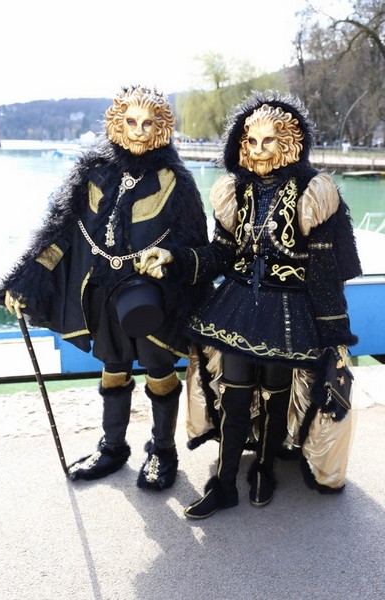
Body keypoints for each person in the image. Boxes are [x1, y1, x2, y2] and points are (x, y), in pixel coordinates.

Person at [139, 90, 362, 516]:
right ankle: (223, 484)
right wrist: (176, 258)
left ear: (288, 143)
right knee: (235, 393)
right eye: (251, 141)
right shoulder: (232, 191)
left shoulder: (315, 192)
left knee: (277, 393)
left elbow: (324, 273)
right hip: (237, 303)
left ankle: (264, 466)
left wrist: (335, 334)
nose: (258, 150)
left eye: (268, 141)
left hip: (289, 309)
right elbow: (220, 254)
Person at [0, 85, 209, 490]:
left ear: (162, 127)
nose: (140, 131)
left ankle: (163, 451)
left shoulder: (176, 181)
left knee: (159, 370)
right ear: (116, 123)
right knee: (113, 366)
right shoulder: (92, 173)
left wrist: (172, 259)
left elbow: (199, 247)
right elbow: (59, 235)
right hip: (100, 291)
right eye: (131, 122)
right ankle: (112, 447)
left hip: (151, 294)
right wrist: (25, 282)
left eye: (149, 123)